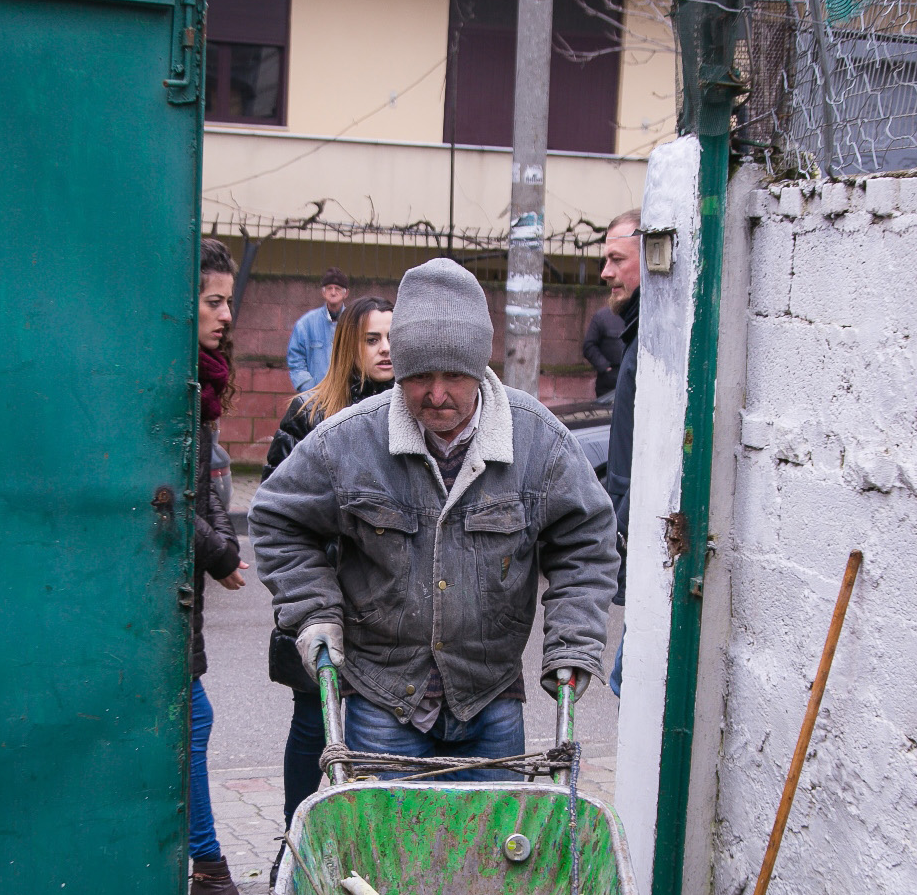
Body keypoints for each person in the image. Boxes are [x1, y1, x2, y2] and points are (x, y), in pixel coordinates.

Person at [251, 259, 617, 779]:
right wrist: (313, 609)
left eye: (455, 377)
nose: (438, 394)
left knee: (495, 834)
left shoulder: (540, 443)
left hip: (489, 694)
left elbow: (588, 542)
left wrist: (573, 640)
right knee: (388, 835)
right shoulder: (349, 442)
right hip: (384, 698)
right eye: (420, 376)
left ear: (481, 368)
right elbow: (276, 518)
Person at [263, 296, 396, 823]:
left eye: (392, 337)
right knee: (312, 727)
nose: (385, 349)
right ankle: (293, 838)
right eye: (372, 339)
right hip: (322, 601)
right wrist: (316, 592)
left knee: (373, 737)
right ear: (347, 346)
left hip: (384, 610)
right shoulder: (310, 413)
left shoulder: (410, 414)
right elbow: (280, 512)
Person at [188, 238, 263, 895]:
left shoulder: (201, 384)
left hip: (184, 598)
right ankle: (208, 873)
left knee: (191, 720)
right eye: (213, 301)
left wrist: (222, 545)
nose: (226, 315)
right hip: (165, 599)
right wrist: (217, 552)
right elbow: (164, 496)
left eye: (228, 301)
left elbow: (206, 488)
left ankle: (206, 875)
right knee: (192, 720)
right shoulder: (172, 386)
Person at [599, 210, 641, 696]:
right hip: (636, 537)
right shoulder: (638, 331)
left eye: (616, 259)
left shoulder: (654, 334)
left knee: (627, 681)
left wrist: (623, 527)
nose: (605, 272)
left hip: (648, 542)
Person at [285, 266, 351, 394]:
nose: (333, 292)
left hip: (347, 396)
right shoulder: (306, 324)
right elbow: (296, 360)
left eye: (337, 289)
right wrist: (310, 390)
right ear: (323, 292)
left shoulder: (355, 323)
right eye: (329, 288)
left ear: (346, 293)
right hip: (314, 397)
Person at [583, 301, 626, 399]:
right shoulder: (602, 316)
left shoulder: (642, 315)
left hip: (635, 383)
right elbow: (589, 346)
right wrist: (604, 366)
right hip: (609, 384)